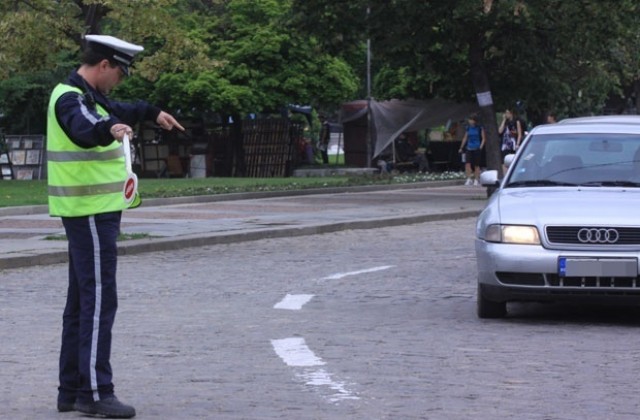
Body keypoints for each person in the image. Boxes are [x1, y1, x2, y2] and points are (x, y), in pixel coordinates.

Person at [48, 34, 184, 418]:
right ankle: (94, 391)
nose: (119, 82)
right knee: (99, 299)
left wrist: (151, 111)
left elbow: (117, 108)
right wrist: (110, 129)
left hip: (91, 209)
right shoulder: (71, 98)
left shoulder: (87, 95)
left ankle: (72, 389)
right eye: (120, 74)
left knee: (81, 301)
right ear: (104, 66)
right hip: (89, 210)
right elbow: (86, 126)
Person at [458, 114, 486, 186]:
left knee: (476, 165)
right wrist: (461, 147)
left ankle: (476, 179)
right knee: (467, 164)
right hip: (469, 147)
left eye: (471, 119)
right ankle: (469, 179)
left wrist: (480, 147)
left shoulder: (480, 128)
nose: (469, 121)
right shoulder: (468, 128)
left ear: (474, 120)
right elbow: (465, 138)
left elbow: (483, 138)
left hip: (477, 147)